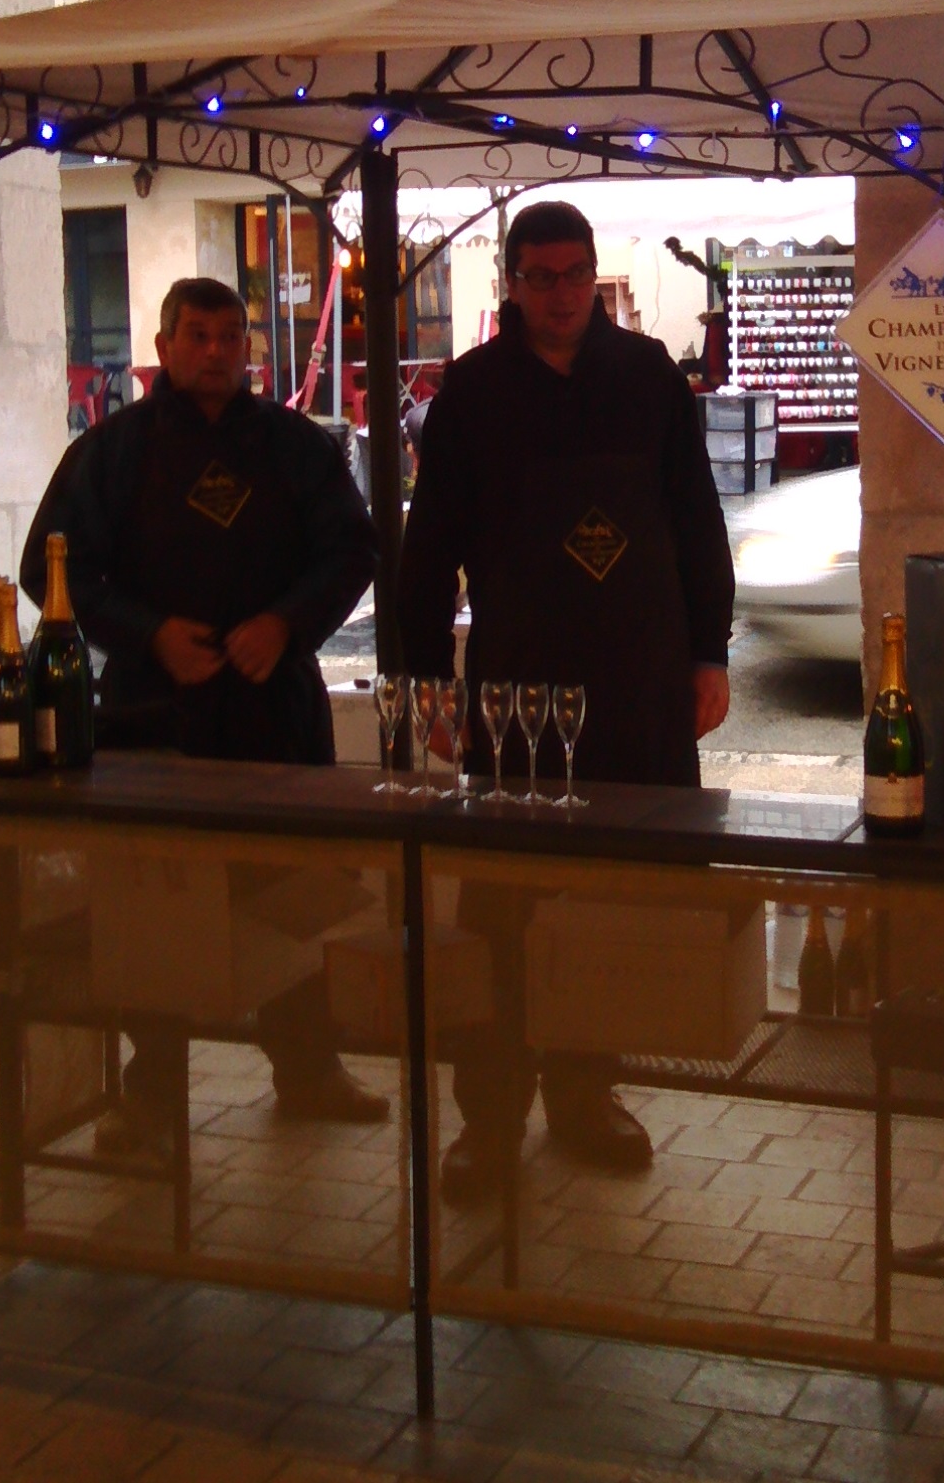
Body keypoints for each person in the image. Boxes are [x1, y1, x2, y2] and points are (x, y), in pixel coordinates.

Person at [397, 201, 735, 1203]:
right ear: (510, 283)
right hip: (517, 689)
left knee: (611, 905)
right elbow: (429, 553)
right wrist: (426, 683)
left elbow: (694, 520)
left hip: (637, 681)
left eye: (573, 273)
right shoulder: (470, 390)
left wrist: (708, 651)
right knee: (503, 907)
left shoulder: (647, 378)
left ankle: (588, 1091)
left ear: (594, 275)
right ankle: (487, 1120)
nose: (558, 293)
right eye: (538, 276)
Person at [23, 276, 386, 1147]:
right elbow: (51, 567)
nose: (216, 350)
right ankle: (151, 1097)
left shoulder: (297, 446)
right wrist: (148, 637)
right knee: (157, 910)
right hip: (155, 718)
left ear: (250, 348)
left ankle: (309, 1067)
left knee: (291, 897)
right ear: (165, 343)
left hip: (275, 713)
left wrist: (285, 623)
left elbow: (351, 549)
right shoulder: (110, 452)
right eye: (197, 334)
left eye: (231, 335)